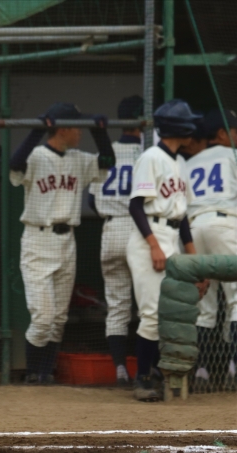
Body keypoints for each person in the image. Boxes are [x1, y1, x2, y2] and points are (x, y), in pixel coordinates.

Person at [9, 102, 115, 384]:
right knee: (43, 317)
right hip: (38, 238)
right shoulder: (36, 155)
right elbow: (15, 165)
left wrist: (100, 132)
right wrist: (36, 130)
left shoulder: (78, 158)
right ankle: (33, 373)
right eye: (77, 127)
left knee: (58, 318)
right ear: (63, 129)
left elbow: (107, 162)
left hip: (67, 240)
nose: (81, 132)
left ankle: (45, 374)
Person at [126, 99, 208, 402]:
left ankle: (160, 372)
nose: (193, 127)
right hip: (150, 236)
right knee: (151, 313)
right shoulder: (151, 157)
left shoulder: (180, 162)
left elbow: (182, 217)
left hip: (171, 236)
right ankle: (142, 379)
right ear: (179, 128)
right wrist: (153, 246)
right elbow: (136, 206)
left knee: (171, 311)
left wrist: (195, 261)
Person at [88, 95, 144, 386]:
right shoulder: (148, 152)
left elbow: (91, 200)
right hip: (139, 230)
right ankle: (148, 370)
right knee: (148, 304)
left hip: (110, 230)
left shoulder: (106, 151)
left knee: (118, 305)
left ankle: (121, 369)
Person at [182, 108, 237, 390]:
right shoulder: (232, 155)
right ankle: (234, 368)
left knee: (204, 304)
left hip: (193, 230)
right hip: (224, 225)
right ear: (221, 133)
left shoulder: (188, 162)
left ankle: (202, 371)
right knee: (236, 298)